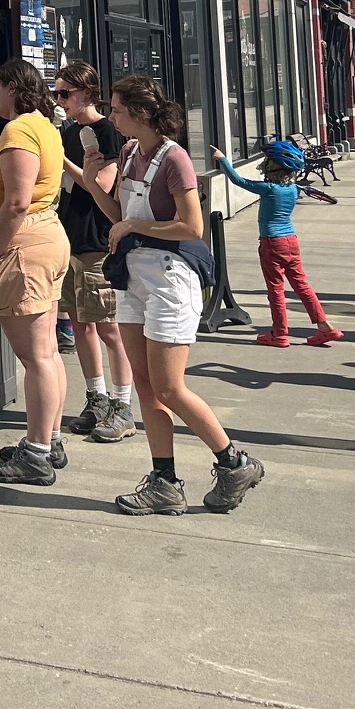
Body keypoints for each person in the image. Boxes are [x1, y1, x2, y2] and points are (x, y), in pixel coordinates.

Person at [82, 75, 265, 514]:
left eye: (118, 110)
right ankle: (164, 481)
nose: (112, 117)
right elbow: (120, 214)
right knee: (144, 384)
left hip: (170, 278)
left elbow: (192, 227)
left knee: (169, 386)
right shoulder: (128, 153)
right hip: (134, 277)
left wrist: (133, 226)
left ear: (141, 114)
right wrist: (92, 183)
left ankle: (234, 461)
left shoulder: (174, 159)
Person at [0, 60, 73, 486]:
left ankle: (37, 453)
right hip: (42, 241)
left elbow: (18, 201)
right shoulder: (39, 126)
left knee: (35, 356)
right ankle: (49, 439)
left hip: (21, 246)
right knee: (46, 351)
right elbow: (21, 183)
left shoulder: (21, 129)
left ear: (13, 87)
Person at [53, 61, 137, 443]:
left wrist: (62, 159)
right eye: (56, 94)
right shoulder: (70, 133)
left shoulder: (108, 133)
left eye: (64, 93)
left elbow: (99, 186)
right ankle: (96, 397)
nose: (60, 101)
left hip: (98, 242)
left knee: (109, 328)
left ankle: (123, 405)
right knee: (81, 324)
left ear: (86, 93)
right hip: (70, 237)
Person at [212, 139, 343, 347]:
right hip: (291, 241)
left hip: (272, 242)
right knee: (302, 286)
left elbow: (238, 181)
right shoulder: (293, 190)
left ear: (272, 167)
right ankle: (325, 326)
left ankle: (280, 334)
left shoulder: (268, 189)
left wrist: (223, 160)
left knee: (276, 289)